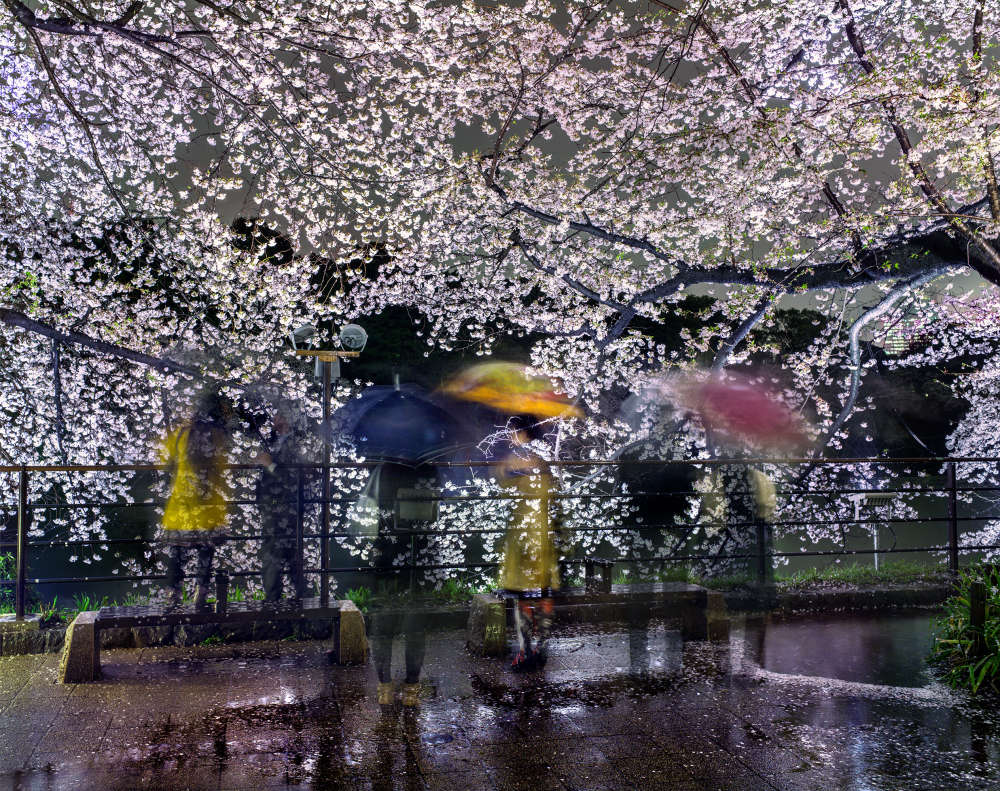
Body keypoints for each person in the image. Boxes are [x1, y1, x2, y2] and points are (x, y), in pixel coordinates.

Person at [365, 462, 435, 710]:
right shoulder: (426, 468)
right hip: (417, 556)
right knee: (414, 627)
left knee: (384, 626)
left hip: (388, 555)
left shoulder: (383, 468)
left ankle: (386, 687)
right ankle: (410, 689)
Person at [497, 415, 560, 672]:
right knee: (543, 594)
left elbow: (505, 489)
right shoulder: (543, 460)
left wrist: (504, 472)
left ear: (522, 432)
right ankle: (541, 648)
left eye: (513, 431)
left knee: (522, 595)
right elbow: (551, 492)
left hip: (524, 532)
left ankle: (525, 651)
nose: (510, 435)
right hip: (542, 532)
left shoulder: (517, 460)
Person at [161, 389, 232, 609]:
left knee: (177, 555)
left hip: (182, 505)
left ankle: (173, 595)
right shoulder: (217, 435)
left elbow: (167, 459)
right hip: (207, 505)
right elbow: (221, 463)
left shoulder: (182, 434)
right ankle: (201, 594)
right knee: (205, 553)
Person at [257, 407, 303, 603]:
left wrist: (270, 465)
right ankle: (295, 595)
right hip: (274, 508)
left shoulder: (294, 444)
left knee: (275, 555)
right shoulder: (275, 442)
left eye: (278, 415)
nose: (274, 419)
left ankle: (274, 599)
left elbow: (292, 478)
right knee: (287, 555)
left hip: (284, 509)